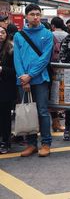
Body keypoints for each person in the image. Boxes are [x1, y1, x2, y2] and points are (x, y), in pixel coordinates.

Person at [13, 4, 53, 157]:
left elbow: (44, 59)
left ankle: (45, 143)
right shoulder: (18, 36)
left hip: (40, 80)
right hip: (23, 81)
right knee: (28, 112)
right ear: (26, 17)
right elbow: (17, 59)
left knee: (42, 112)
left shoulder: (47, 34)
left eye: (38, 14)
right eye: (32, 14)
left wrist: (29, 75)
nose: (36, 17)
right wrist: (23, 77)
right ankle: (31, 144)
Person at [0, 26, 16, 154]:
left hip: (6, 88)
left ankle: (5, 141)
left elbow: (15, 71)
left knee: (5, 116)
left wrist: (2, 69)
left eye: (2, 32)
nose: (0, 34)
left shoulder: (11, 49)